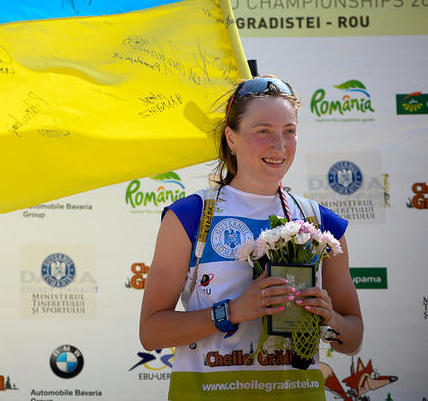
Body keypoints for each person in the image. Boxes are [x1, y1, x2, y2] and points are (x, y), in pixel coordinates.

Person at [139, 76, 363, 400]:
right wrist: (230, 312)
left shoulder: (320, 222)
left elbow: (353, 338)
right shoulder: (190, 216)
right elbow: (151, 332)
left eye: (289, 131)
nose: (280, 146)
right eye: (263, 132)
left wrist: (329, 318)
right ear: (231, 138)